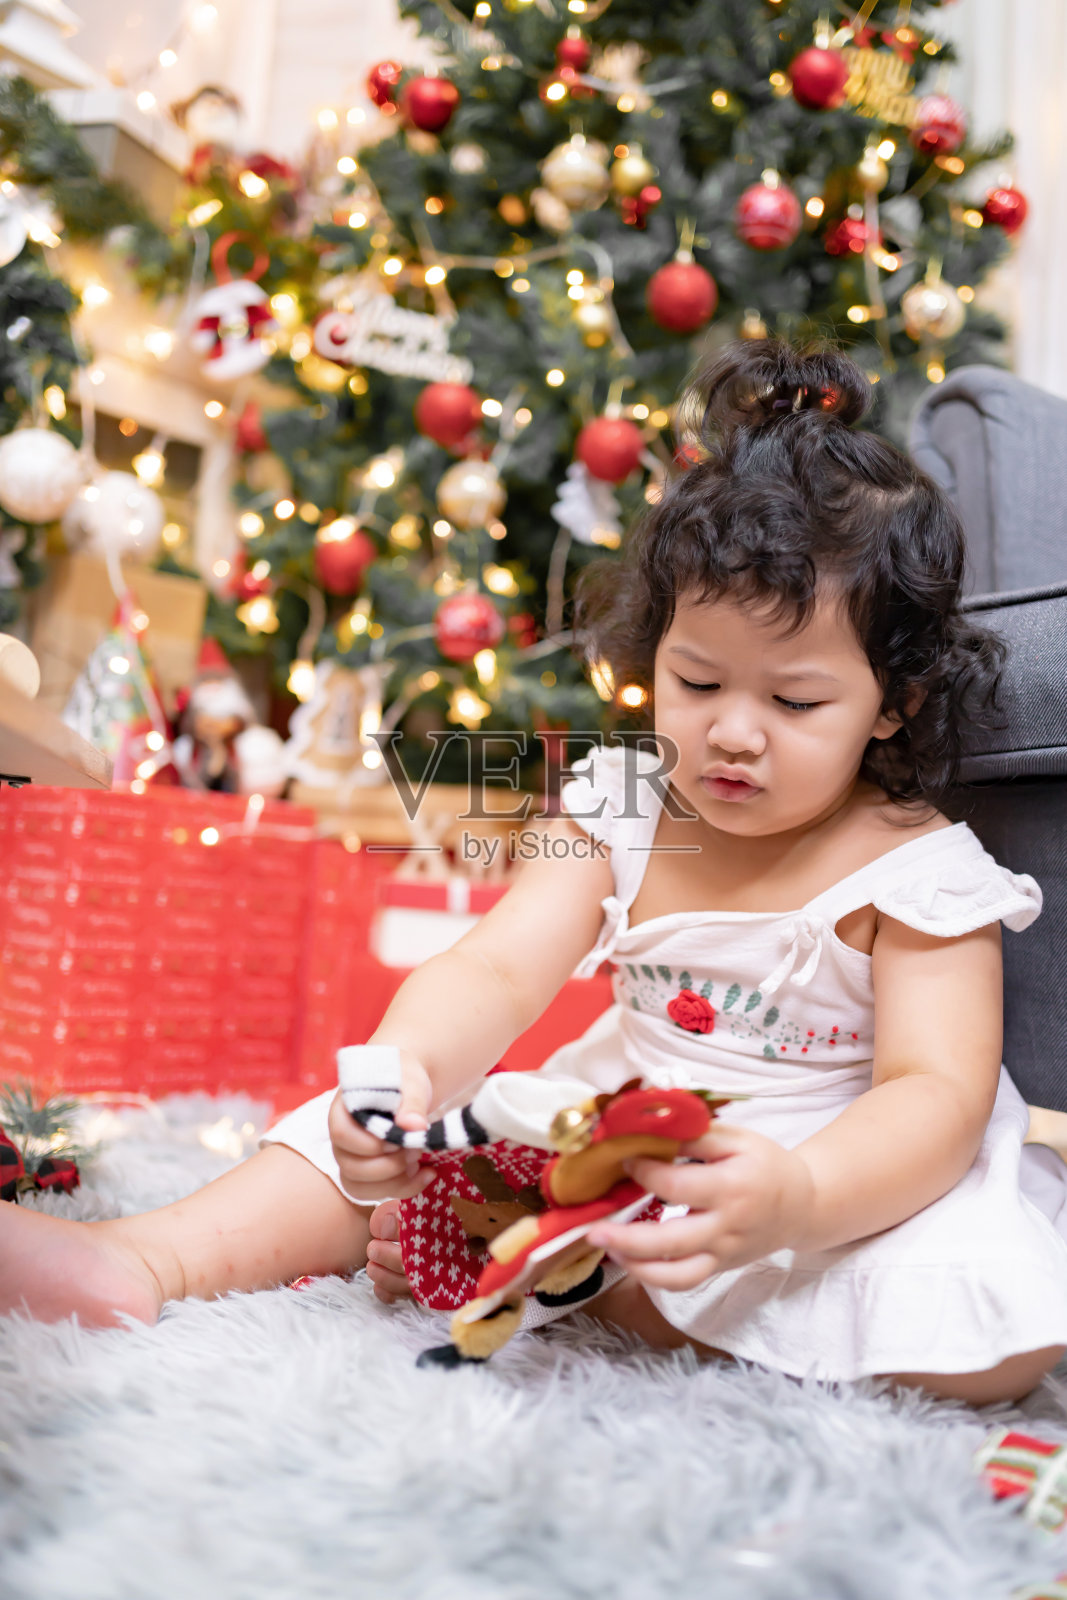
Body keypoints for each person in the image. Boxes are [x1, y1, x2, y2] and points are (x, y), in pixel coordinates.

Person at [4, 339, 1066, 1407]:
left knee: (989, 1336)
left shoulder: (920, 874)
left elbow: (934, 1096)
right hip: (615, 1140)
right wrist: (401, 1073)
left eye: (793, 704)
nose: (732, 733)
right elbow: (498, 968)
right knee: (360, 1134)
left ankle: (585, 1284)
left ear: (893, 703)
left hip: (830, 1172)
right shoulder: (621, 803)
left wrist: (798, 1194)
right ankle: (148, 1256)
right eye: (694, 681)